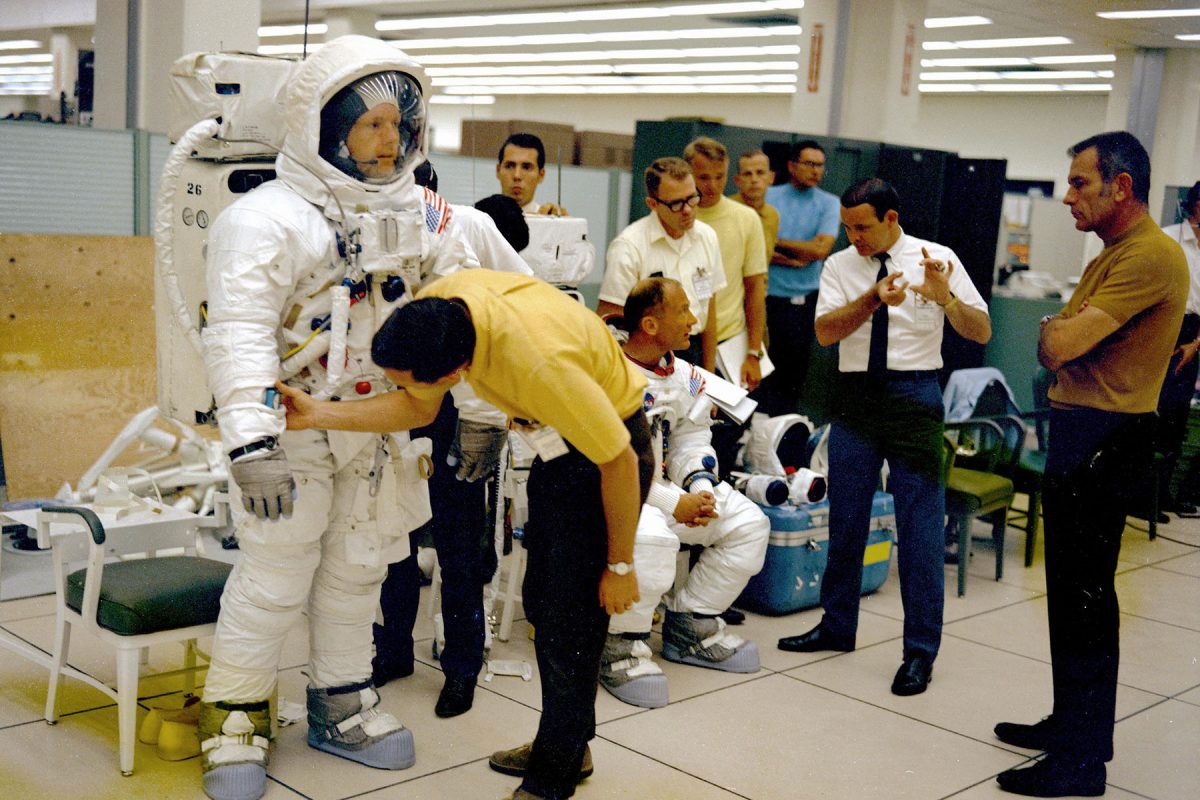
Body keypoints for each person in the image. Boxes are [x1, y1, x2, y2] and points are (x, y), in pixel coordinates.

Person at [197, 36, 475, 800]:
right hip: (289, 419)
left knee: (359, 567)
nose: (390, 142)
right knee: (278, 569)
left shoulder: (427, 213)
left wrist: (479, 411)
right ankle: (237, 713)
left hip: (380, 422)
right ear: (326, 130)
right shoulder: (268, 219)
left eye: (399, 124)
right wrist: (251, 443)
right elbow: (241, 330)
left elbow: (475, 309)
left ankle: (341, 699)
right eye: (371, 126)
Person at [277, 269, 656, 800]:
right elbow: (417, 404)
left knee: (569, 620)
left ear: (456, 371)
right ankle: (569, 743)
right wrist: (319, 412)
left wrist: (621, 565)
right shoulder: (440, 307)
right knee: (545, 605)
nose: (403, 382)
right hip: (558, 444)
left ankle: (553, 776)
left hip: (607, 459)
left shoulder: (538, 365)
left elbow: (619, 459)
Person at [994, 132, 1187, 798]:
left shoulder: (1150, 256)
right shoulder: (1114, 253)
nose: (1068, 195)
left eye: (1080, 183)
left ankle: (1083, 763)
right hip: (1083, 432)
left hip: (1108, 438)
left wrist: (1061, 332)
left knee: (1086, 599)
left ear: (1122, 187)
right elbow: (1066, 338)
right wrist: (1065, 333)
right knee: (1070, 595)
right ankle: (1070, 724)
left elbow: (1060, 342)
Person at [777, 178, 991, 700]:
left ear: (891, 219)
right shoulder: (841, 265)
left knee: (918, 530)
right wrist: (873, 298)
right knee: (846, 518)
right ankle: (837, 625)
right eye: (847, 227)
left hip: (915, 396)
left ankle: (920, 652)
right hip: (855, 398)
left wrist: (945, 300)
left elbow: (980, 330)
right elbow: (826, 332)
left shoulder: (935, 257)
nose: (854, 236)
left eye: (863, 226)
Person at [370, 161, 530, 719]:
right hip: (394, 398)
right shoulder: (360, 227)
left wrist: (487, 419)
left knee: (460, 545)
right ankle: (392, 650)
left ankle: (462, 667)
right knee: (391, 534)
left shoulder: (466, 226)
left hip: (461, 408)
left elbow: (513, 306)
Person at [599, 277, 769, 708]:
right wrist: (677, 503)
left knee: (749, 524)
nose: (695, 320)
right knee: (654, 540)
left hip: (668, 491)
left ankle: (691, 625)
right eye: (684, 312)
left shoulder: (686, 377)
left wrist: (701, 486)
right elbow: (616, 466)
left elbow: (693, 438)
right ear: (651, 325)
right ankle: (619, 647)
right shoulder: (608, 376)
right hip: (615, 500)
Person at [598, 156, 724, 371]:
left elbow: (709, 311)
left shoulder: (707, 237)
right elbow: (610, 322)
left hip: (694, 349)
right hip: (648, 357)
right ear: (653, 204)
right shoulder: (630, 246)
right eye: (676, 203)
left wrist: (709, 374)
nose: (687, 210)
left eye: (692, 198)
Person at [756, 140, 841, 417]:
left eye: (820, 165)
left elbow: (820, 250)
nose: (816, 171)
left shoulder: (829, 204)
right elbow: (757, 249)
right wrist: (793, 256)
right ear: (792, 166)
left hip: (804, 303)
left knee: (792, 378)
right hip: (765, 299)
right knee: (759, 374)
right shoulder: (768, 197)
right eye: (809, 164)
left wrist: (775, 245)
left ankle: (782, 443)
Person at [684, 137, 768, 391]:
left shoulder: (746, 219)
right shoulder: (676, 215)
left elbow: (755, 289)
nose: (713, 185)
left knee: (728, 426)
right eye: (704, 177)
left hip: (729, 341)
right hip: (682, 339)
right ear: (688, 174)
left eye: (719, 177)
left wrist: (753, 352)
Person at [1146, 180, 1200, 516]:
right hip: (1163, 328)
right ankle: (1141, 498)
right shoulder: (1168, 239)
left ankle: (1163, 495)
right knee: (1153, 413)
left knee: (1176, 420)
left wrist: (1195, 344)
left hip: (1193, 335)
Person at [496, 132, 568, 216]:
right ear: (498, 170)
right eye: (510, 166)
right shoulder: (480, 219)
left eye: (526, 167)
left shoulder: (550, 221)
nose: (517, 175)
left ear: (541, 175)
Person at [731, 148, 781, 266]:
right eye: (747, 174)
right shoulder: (726, 211)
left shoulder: (773, 215)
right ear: (737, 180)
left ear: (771, 178)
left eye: (760, 173)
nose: (754, 180)